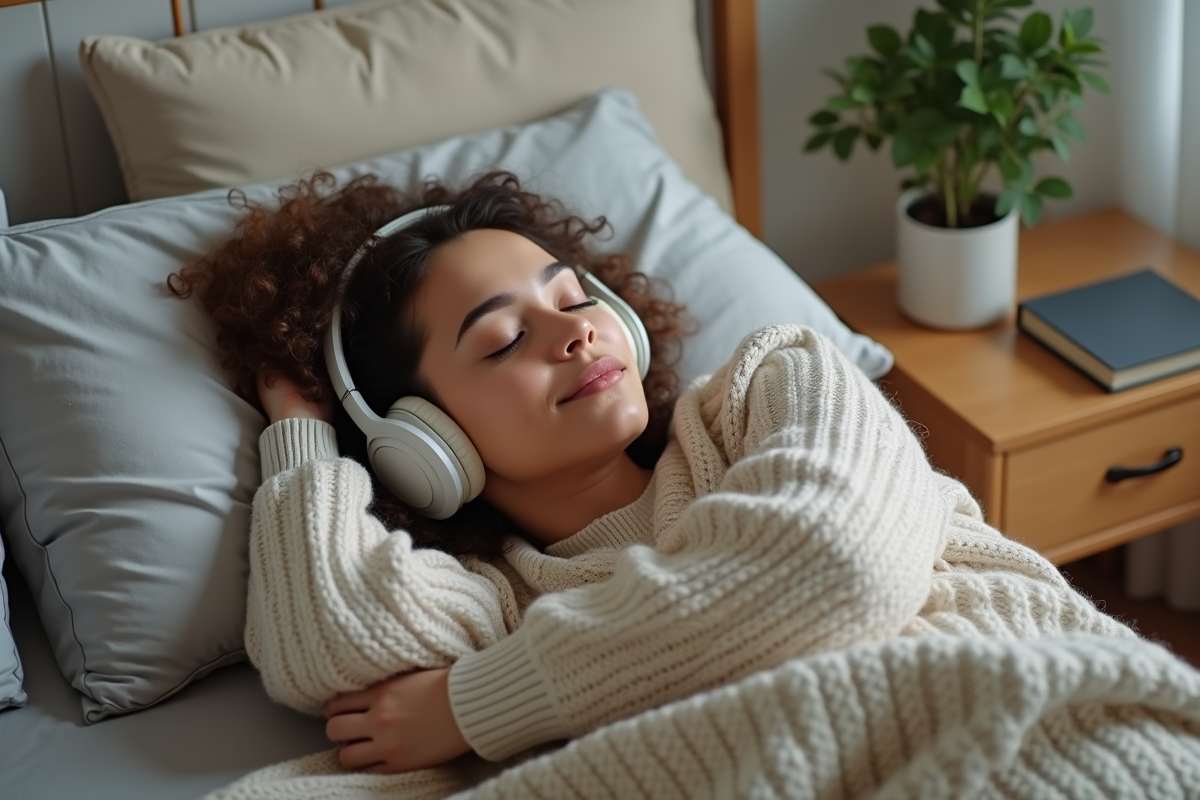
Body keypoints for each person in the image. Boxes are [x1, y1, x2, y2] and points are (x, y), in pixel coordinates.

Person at [176, 171, 1200, 799]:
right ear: (418, 441)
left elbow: (833, 563)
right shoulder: (501, 598)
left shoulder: (768, 389)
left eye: (574, 298)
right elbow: (329, 642)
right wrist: (304, 430)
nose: (574, 329)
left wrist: (486, 701)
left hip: (1029, 735)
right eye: (503, 339)